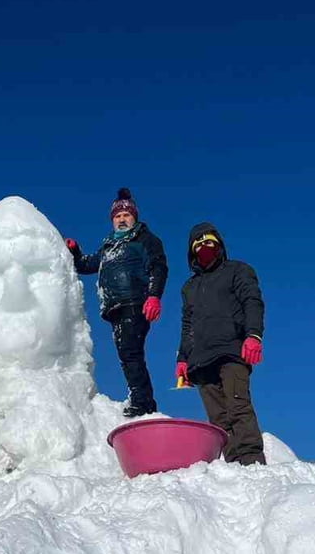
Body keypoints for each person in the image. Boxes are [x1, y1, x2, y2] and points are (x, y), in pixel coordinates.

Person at [66, 188, 168, 416]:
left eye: (126, 215)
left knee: (131, 353)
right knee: (127, 354)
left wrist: (153, 296)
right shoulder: (108, 246)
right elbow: (86, 265)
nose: (122, 220)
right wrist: (74, 251)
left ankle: (142, 403)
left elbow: (158, 267)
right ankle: (142, 400)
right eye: (117, 216)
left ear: (134, 217)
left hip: (135, 302)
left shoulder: (144, 240)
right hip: (115, 308)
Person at [175, 223, 267, 465]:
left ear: (219, 245)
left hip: (231, 351)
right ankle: (233, 465)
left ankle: (252, 462)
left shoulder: (238, 270)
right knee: (218, 419)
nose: (204, 247)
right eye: (198, 244)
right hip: (201, 361)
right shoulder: (190, 287)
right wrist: (182, 358)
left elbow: (252, 301)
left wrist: (254, 335)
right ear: (192, 252)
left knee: (238, 407)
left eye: (209, 242)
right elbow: (188, 324)